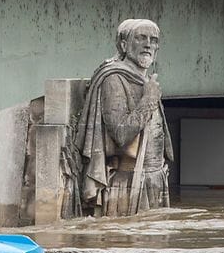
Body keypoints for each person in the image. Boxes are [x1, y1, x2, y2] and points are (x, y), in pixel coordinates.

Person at [71, 19, 173, 217]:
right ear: (124, 45)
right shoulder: (114, 79)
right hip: (129, 182)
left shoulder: (146, 81)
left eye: (153, 40)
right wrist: (149, 99)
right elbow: (120, 133)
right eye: (141, 38)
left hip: (155, 179)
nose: (148, 44)